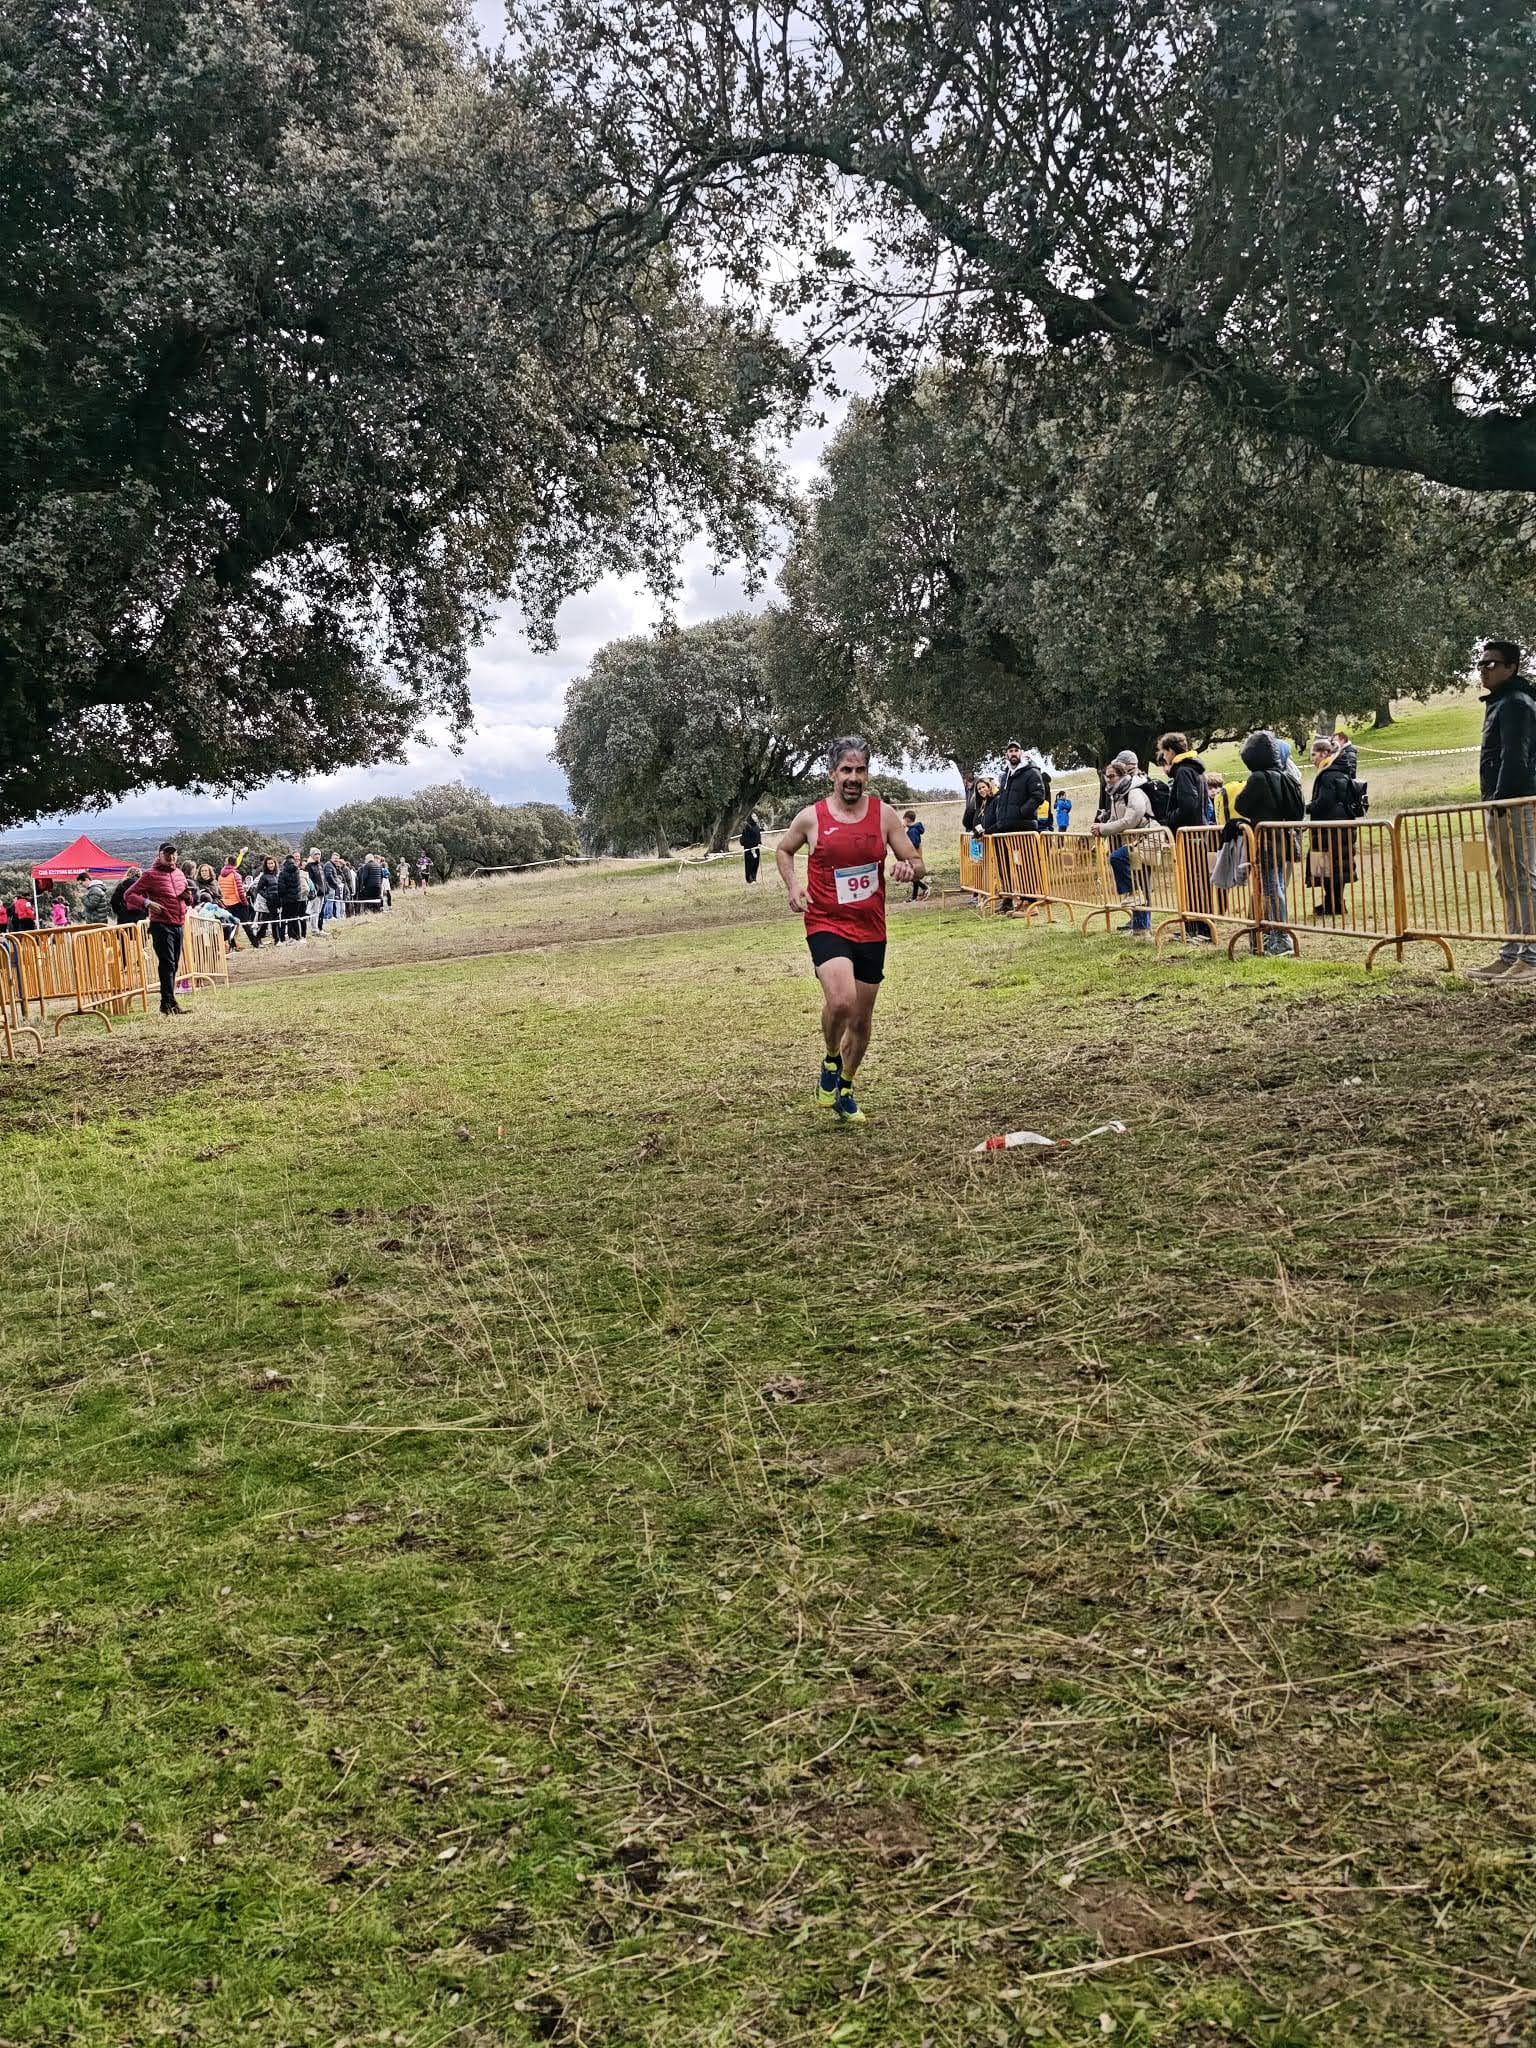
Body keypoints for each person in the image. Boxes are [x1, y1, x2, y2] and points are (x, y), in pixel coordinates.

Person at [775, 736, 924, 1123]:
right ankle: (830, 1059)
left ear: (867, 774)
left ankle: (846, 1084)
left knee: (860, 1019)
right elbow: (783, 850)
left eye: (860, 770)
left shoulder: (883, 815)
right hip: (826, 921)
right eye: (846, 770)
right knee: (841, 1001)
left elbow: (917, 862)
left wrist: (908, 868)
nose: (853, 777)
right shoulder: (811, 818)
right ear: (832, 774)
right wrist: (794, 885)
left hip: (870, 927)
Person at [1467, 639, 1536, 983]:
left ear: (1511, 667)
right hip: (1501, 803)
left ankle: (1531, 955)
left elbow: (1515, 757)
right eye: (1481, 664)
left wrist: (1501, 800)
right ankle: (1512, 950)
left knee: (1523, 877)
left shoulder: (1516, 703)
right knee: (1507, 878)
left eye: (1491, 664)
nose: (1484, 670)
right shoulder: (1502, 702)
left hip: (1515, 803)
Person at [1233, 731, 1305, 957]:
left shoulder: (1258, 778)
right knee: (1277, 886)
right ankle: (1275, 934)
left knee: (1272, 888)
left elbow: (1241, 805)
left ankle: (1280, 937)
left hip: (1266, 841)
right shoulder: (1284, 776)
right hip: (1282, 839)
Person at [1091, 751, 1159, 935]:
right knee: (1136, 882)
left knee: (1141, 882)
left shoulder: (1135, 790)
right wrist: (1102, 826)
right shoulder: (1117, 793)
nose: (1107, 780)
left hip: (1144, 839)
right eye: (1106, 776)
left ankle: (1143, 925)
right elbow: (1116, 818)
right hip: (1129, 841)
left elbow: (1130, 820)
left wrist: (1103, 829)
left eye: (1111, 775)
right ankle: (1138, 924)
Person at [1156, 732, 1215, 943]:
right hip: (1197, 832)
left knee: (1192, 882)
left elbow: (1188, 806)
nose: (1164, 757)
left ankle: (1199, 929)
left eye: (1164, 752)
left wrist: (1168, 819)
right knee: (1196, 881)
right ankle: (1197, 927)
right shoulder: (1195, 770)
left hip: (1189, 834)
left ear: (1171, 751)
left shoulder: (1183, 772)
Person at [123, 842, 190, 1014]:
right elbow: (129, 894)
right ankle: (167, 1003)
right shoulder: (150, 875)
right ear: (159, 855)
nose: (171, 857)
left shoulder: (179, 873)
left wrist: (188, 897)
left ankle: (169, 1002)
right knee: (167, 963)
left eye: (173, 854)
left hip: (178, 922)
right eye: (167, 854)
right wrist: (147, 903)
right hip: (161, 924)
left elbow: (188, 899)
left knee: (174, 963)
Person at [1306, 733, 1361, 919]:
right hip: (1342, 826)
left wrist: (1307, 807)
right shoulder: (1342, 769)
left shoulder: (1327, 774)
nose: (1312, 759)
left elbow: (1324, 802)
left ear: (1324, 754)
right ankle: (1334, 902)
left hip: (1329, 828)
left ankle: (1334, 903)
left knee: (1328, 868)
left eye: (1314, 755)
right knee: (1337, 867)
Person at [218, 855, 262, 945]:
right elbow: (239, 892)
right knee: (246, 924)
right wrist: (245, 903)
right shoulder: (235, 875)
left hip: (227, 903)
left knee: (231, 925)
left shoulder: (220, 876)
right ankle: (255, 943)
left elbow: (221, 890)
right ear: (235, 863)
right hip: (238, 903)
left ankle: (232, 944)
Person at [276, 849, 307, 942]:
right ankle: (295, 936)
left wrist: (281, 897)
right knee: (294, 918)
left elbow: (281, 887)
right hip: (296, 899)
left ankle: (282, 937)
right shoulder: (297, 871)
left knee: (284, 919)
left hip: (286, 899)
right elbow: (298, 886)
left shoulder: (282, 873)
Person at [901, 810, 929, 898]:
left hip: (914, 857)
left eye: (903, 820)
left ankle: (925, 888)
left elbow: (914, 844)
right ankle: (914, 896)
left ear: (906, 819)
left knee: (912, 876)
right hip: (915, 857)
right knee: (914, 875)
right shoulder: (913, 830)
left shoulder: (912, 831)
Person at [741, 813, 763, 884]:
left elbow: (758, 836)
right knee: (749, 864)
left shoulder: (757, 826)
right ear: (750, 818)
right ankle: (749, 879)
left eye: (756, 816)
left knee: (756, 863)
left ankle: (754, 878)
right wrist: (751, 847)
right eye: (753, 816)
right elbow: (745, 838)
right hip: (749, 849)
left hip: (756, 848)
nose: (755, 817)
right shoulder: (747, 827)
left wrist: (759, 843)